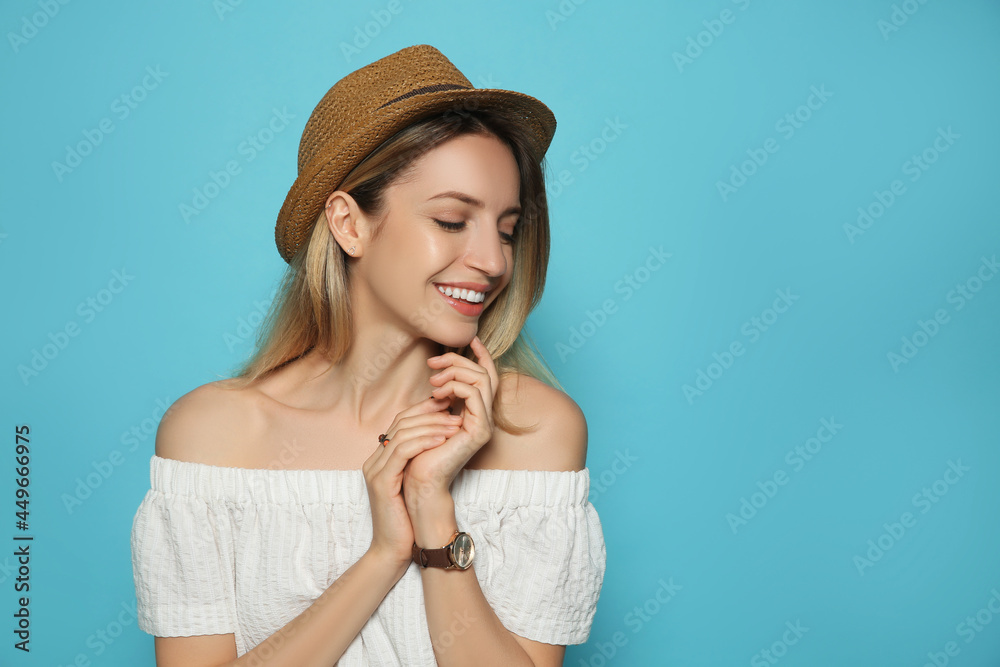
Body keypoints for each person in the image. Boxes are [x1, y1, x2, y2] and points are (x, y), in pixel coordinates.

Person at [130, 44, 606, 667]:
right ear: (349, 225)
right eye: (454, 220)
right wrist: (384, 554)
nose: (493, 261)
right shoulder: (214, 435)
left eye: (507, 228)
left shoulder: (536, 432)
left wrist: (433, 514)